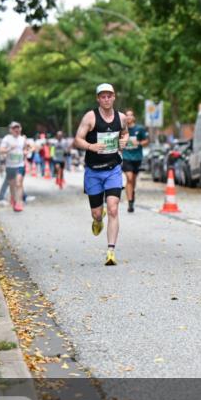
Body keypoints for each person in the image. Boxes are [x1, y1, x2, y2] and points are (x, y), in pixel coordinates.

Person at [73, 83, 128, 266]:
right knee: (97, 213)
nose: (106, 99)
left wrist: (124, 142)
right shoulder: (91, 117)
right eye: (102, 96)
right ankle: (98, 219)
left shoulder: (121, 118)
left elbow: (125, 134)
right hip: (93, 171)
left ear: (114, 97)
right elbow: (77, 139)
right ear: (98, 99)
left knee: (113, 208)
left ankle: (111, 251)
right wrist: (91, 146)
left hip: (113, 169)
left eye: (109, 96)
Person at [121, 109, 149, 213]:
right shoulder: (122, 129)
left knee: (133, 180)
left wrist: (139, 143)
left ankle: (132, 194)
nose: (128, 117)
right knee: (129, 178)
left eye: (130, 115)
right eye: (126, 115)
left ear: (133, 118)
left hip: (137, 158)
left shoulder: (140, 129)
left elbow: (146, 141)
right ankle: (130, 202)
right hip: (126, 157)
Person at [0, 121, 30, 212]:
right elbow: (1, 150)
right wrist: (9, 149)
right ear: (11, 130)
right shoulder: (7, 139)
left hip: (20, 165)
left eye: (18, 127)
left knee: (18, 183)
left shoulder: (23, 139)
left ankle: (19, 203)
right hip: (10, 166)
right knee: (12, 185)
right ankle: (13, 198)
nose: (16, 129)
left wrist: (26, 151)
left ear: (20, 129)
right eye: (14, 128)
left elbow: (26, 149)